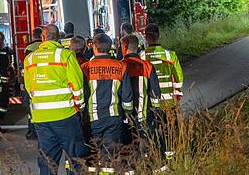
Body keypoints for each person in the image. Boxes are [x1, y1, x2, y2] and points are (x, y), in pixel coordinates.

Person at [23, 24, 87, 175]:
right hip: (66, 115)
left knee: (47, 161)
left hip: (41, 118)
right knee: (75, 158)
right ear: (58, 37)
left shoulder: (30, 59)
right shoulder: (66, 55)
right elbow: (77, 86)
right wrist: (79, 107)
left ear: (43, 37)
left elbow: (29, 88)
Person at [81, 34, 133, 171]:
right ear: (110, 48)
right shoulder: (121, 66)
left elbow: (82, 94)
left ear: (94, 47)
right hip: (114, 118)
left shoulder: (85, 67)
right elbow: (127, 95)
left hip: (92, 119)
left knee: (93, 156)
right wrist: (128, 114)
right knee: (109, 156)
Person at [142, 24, 184, 160]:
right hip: (169, 101)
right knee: (169, 130)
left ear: (145, 38)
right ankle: (171, 157)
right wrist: (177, 95)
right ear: (159, 36)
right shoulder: (170, 55)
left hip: (150, 103)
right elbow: (179, 78)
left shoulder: (141, 57)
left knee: (152, 131)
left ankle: (156, 157)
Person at [120, 34, 161, 147]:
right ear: (137, 47)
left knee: (129, 147)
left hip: (125, 117)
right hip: (145, 114)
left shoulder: (120, 66)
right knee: (148, 144)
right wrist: (156, 111)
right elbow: (155, 92)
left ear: (124, 47)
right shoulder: (148, 66)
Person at [23, 26, 44, 140]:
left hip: (32, 80)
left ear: (33, 36)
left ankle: (32, 132)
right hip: (45, 79)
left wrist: (22, 82)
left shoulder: (29, 48)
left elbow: (26, 67)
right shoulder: (45, 46)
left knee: (31, 108)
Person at [0, 31, 14, 130]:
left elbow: (11, 64)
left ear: (3, 39)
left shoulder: (8, 50)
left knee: (4, 103)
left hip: (4, 81)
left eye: (0, 39)